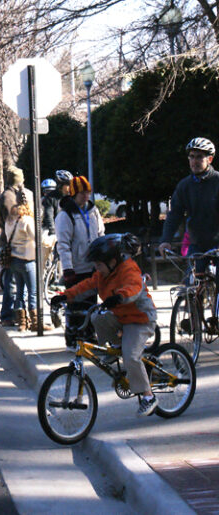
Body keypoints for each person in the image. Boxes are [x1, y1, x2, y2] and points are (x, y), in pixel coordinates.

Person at [51, 233, 159, 417]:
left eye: (99, 264)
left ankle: (148, 397)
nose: (96, 268)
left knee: (131, 356)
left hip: (139, 319)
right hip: (120, 316)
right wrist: (64, 295)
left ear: (113, 261)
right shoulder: (103, 274)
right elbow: (85, 286)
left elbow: (133, 288)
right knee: (97, 317)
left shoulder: (128, 269)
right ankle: (115, 348)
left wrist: (119, 297)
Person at [159, 137, 219, 277]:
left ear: (209, 159)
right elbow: (174, 215)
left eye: (199, 157)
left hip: (217, 242)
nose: (194, 161)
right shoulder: (184, 186)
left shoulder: (217, 181)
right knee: (190, 285)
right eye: (191, 157)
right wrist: (165, 240)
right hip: (197, 243)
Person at [5, 192, 51, 332]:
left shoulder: (10, 220)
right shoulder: (26, 221)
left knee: (19, 291)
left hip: (14, 260)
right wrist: (51, 241)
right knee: (33, 291)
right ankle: (36, 323)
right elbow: (38, 239)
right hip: (27, 260)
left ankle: (22, 323)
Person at [0, 165, 32, 327]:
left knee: (14, 281)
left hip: (11, 243)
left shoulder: (9, 195)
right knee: (12, 281)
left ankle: (13, 314)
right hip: (13, 244)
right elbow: (13, 221)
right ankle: (8, 314)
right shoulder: (9, 198)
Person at [55, 175, 105, 290]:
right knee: (77, 304)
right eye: (82, 193)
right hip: (76, 269)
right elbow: (63, 244)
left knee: (91, 304)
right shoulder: (65, 215)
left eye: (88, 192)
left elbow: (101, 234)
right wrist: (67, 268)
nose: (86, 196)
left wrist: (102, 257)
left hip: (93, 266)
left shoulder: (93, 211)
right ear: (74, 194)